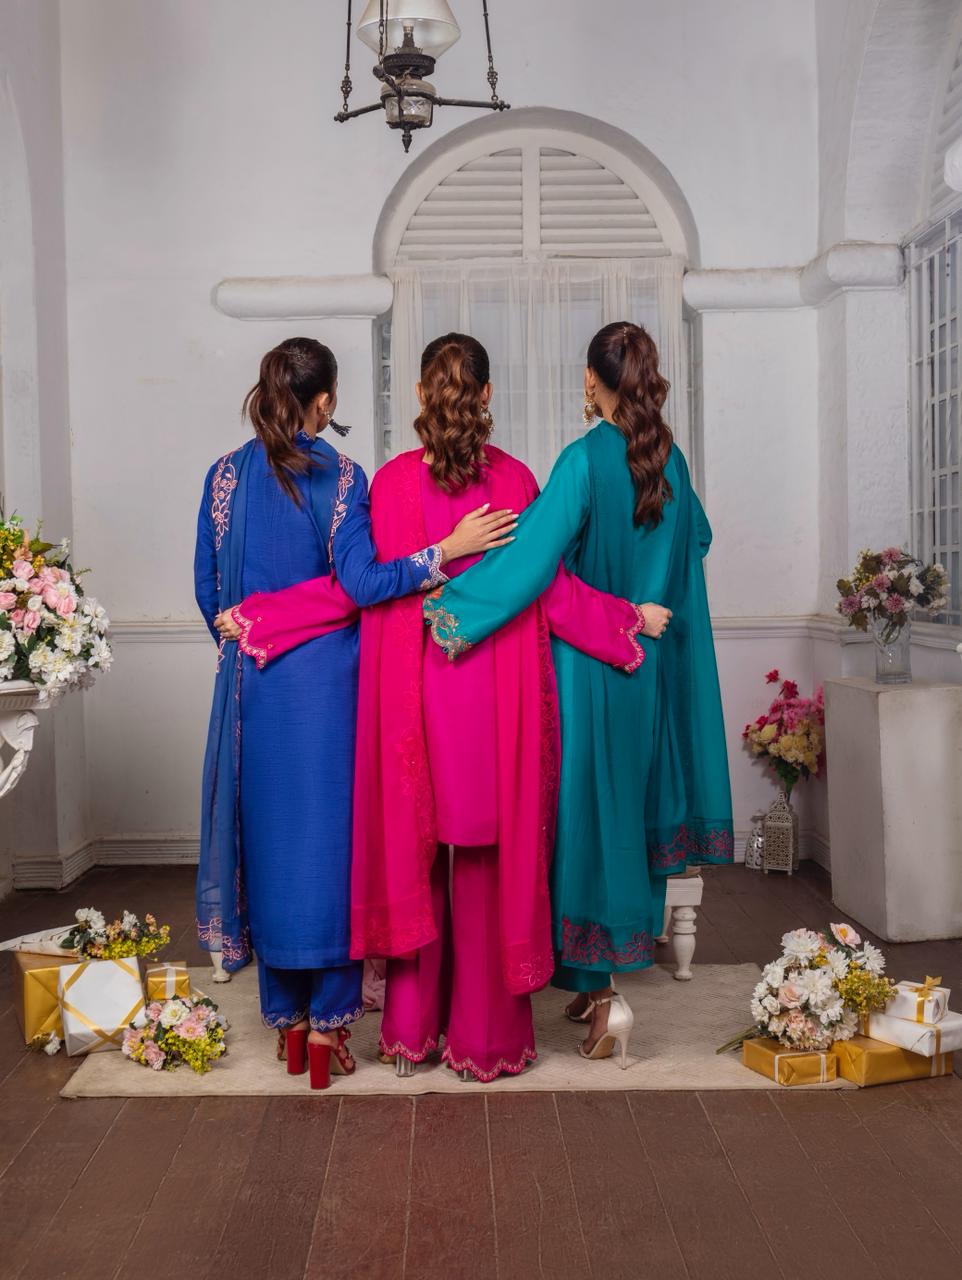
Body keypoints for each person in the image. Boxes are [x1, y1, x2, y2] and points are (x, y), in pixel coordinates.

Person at [226, 333, 669, 1081]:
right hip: (493, 695)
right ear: (487, 396)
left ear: (422, 398)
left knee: (417, 860)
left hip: (411, 694)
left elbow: (361, 585)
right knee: (488, 867)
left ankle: (409, 1035)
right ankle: (487, 1041)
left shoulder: (390, 484)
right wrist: (624, 624)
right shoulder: (519, 479)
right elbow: (548, 589)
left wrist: (266, 617)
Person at [194, 336, 516, 1089]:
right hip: (331, 692)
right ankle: (332, 1030)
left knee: (269, 846)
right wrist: (445, 550)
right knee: (331, 856)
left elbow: (214, 599)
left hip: (251, 690)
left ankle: (290, 1024)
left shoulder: (222, 480)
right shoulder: (342, 477)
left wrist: (257, 622)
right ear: (327, 401)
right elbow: (363, 585)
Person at [424, 322, 733, 1065]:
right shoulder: (672, 460)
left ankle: (603, 999)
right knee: (628, 813)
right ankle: (588, 981)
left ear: (591, 381)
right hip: (651, 664)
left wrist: (452, 610)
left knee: (583, 829)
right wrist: (643, 585)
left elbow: (531, 560)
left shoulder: (584, 461)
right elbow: (699, 540)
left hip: (589, 669)